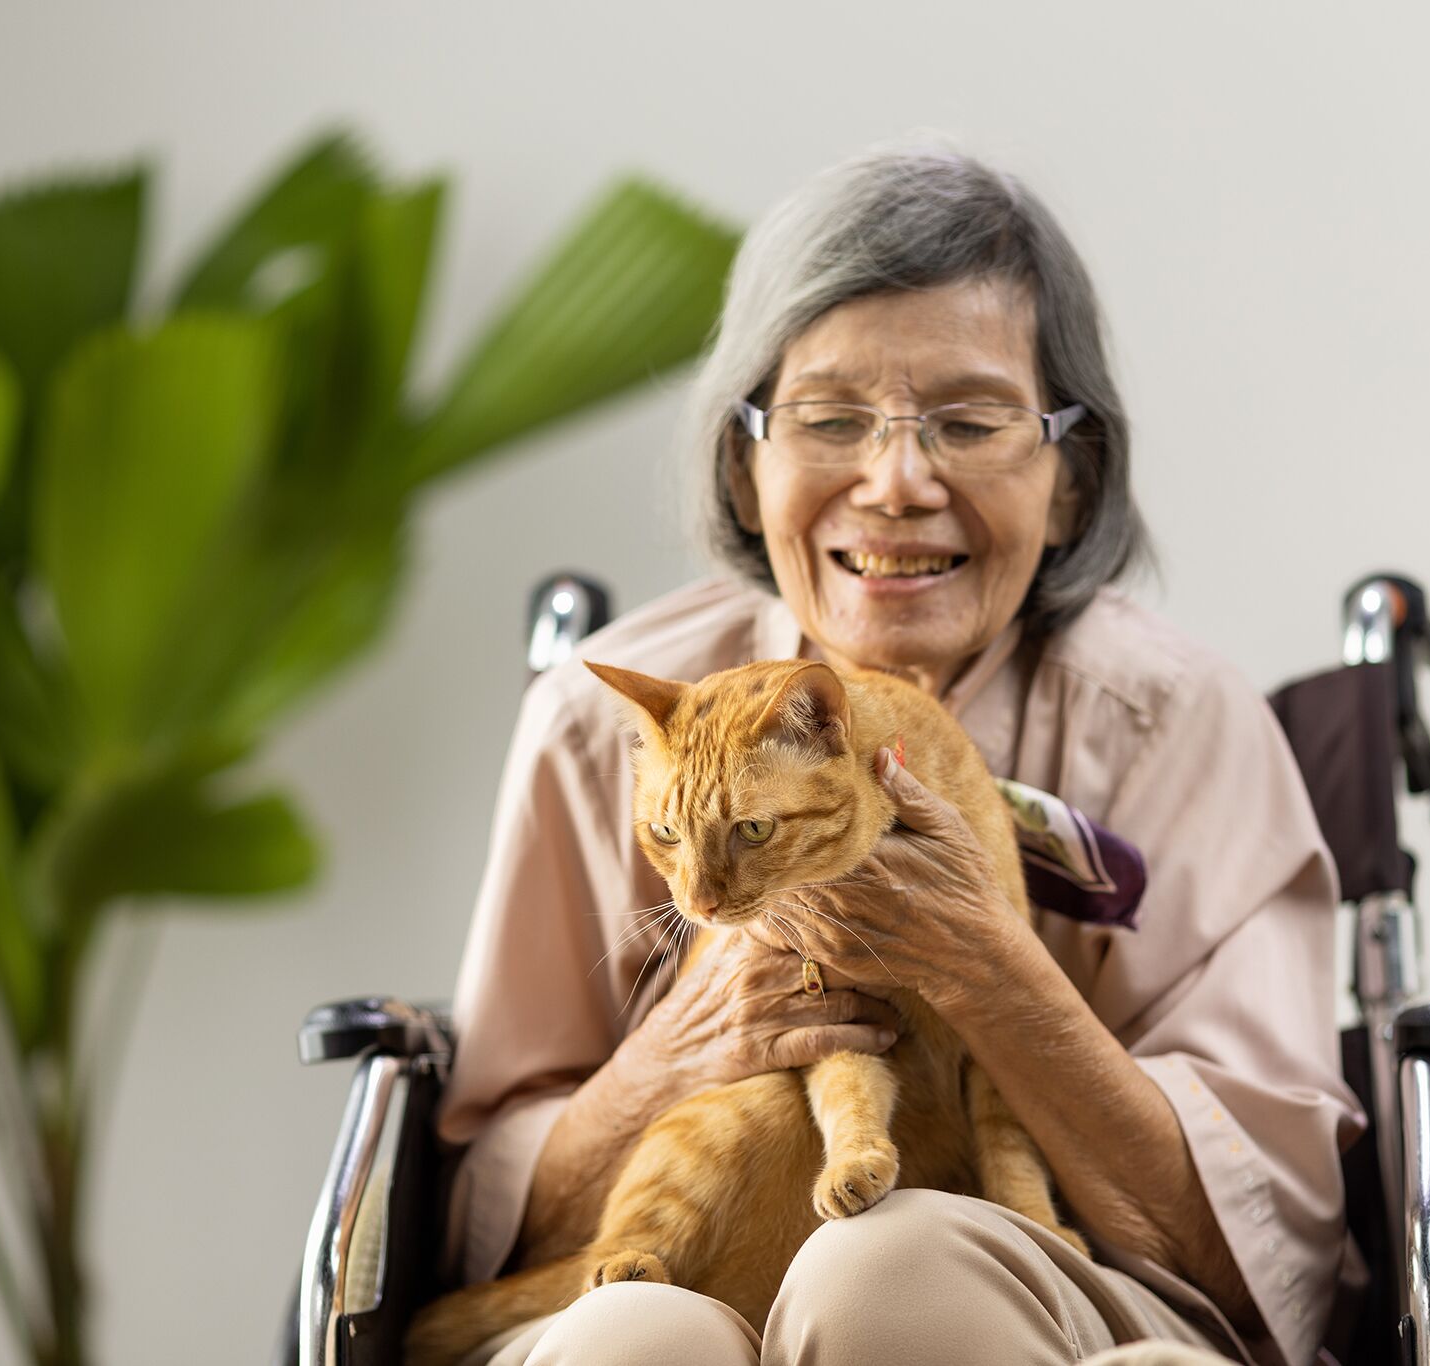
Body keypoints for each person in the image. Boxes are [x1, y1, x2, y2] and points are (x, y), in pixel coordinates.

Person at [437, 140, 1362, 1366]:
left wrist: (992, 969)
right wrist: (688, 1039)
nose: (895, 482)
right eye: (828, 419)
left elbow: (1268, 1256)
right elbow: (478, 1225)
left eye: (968, 422)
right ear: (745, 462)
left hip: (1065, 1305)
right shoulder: (604, 714)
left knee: (894, 1270)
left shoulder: (1178, 719)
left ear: (1071, 483)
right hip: (674, 1261)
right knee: (631, 1342)